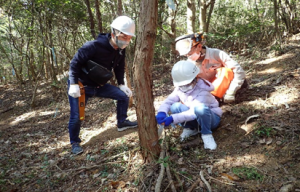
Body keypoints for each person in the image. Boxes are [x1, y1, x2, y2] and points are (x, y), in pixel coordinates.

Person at [67, 16, 138, 154]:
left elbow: (119, 67)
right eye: (124, 37)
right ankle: (74, 142)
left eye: (129, 38)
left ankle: (122, 122)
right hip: (81, 86)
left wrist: (122, 84)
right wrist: (74, 83)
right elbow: (74, 63)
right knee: (76, 116)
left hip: (99, 85)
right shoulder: (93, 46)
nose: (127, 40)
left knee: (123, 97)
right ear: (113, 34)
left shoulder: (120, 50)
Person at [155, 60, 222, 150]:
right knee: (175, 106)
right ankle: (190, 129)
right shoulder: (180, 89)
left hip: (211, 120)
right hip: (195, 119)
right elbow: (169, 101)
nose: (184, 87)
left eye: (186, 84)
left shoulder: (203, 90)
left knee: (200, 109)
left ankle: (206, 134)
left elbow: (194, 112)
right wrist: (162, 112)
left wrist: (172, 118)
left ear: (196, 78)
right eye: (182, 85)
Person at [175, 32, 246, 103]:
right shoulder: (189, 64)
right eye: (186, 55)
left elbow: (238, 71)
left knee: (226, 71)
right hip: (207, 92)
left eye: (190, 53)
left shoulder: (217, 54)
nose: (188, 56)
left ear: (199, 46)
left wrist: (231, 91)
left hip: (226, 86)